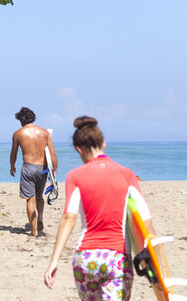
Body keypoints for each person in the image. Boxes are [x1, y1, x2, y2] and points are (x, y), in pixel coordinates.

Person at [44, 116, 157, 301]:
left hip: (85, 259)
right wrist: (152, 259)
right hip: (117, 258)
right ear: (103, 143)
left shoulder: (75, 176)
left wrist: (54, 261)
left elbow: (68, 218)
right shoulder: (127, 175)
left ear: (78, 149)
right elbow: (145, 220)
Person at [10, 107, 57, 237]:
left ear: (21, 119)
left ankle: (34, 231)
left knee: (30, 200)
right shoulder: (44, 133)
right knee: (39, 196)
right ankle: (40, 218)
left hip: (28, 168)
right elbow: (53, 153)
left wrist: (12, 166)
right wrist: (54, 170)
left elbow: (13, 153)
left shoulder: (18, 133)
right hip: (43, 169)